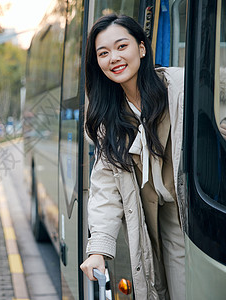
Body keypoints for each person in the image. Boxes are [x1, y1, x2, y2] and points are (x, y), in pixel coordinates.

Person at [79, 14, 186, 300]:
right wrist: (98, 249)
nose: (113, 57)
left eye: (121, 46)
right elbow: (104, 187)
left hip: (196, 212)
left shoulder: (180, 89)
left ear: (141, 48)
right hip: (159, 219)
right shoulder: (109, 119)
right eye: (103, 53)